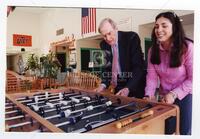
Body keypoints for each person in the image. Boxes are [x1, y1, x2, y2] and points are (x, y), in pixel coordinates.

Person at [144, 11, 193, 135]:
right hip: (164, 96)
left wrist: (174, 94)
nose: (159, 29)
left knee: (183, 131)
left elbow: (194, 79)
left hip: (185, 94)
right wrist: (148, 95)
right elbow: (151, 78)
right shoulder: (152, 51)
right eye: (156, 26)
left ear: (174, 28)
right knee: (165, 130)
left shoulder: (188, 47)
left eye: (164, 26)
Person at [95, 18, 146, 98]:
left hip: (135, 85)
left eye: (109, 33)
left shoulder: (131, 38)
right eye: (104, 36)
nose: (108, 38)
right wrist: (103, 85)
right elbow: (107, 68)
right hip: (119, 85)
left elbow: (138, 67)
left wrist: (128, 88)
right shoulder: (103, 44)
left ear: (116, 28)